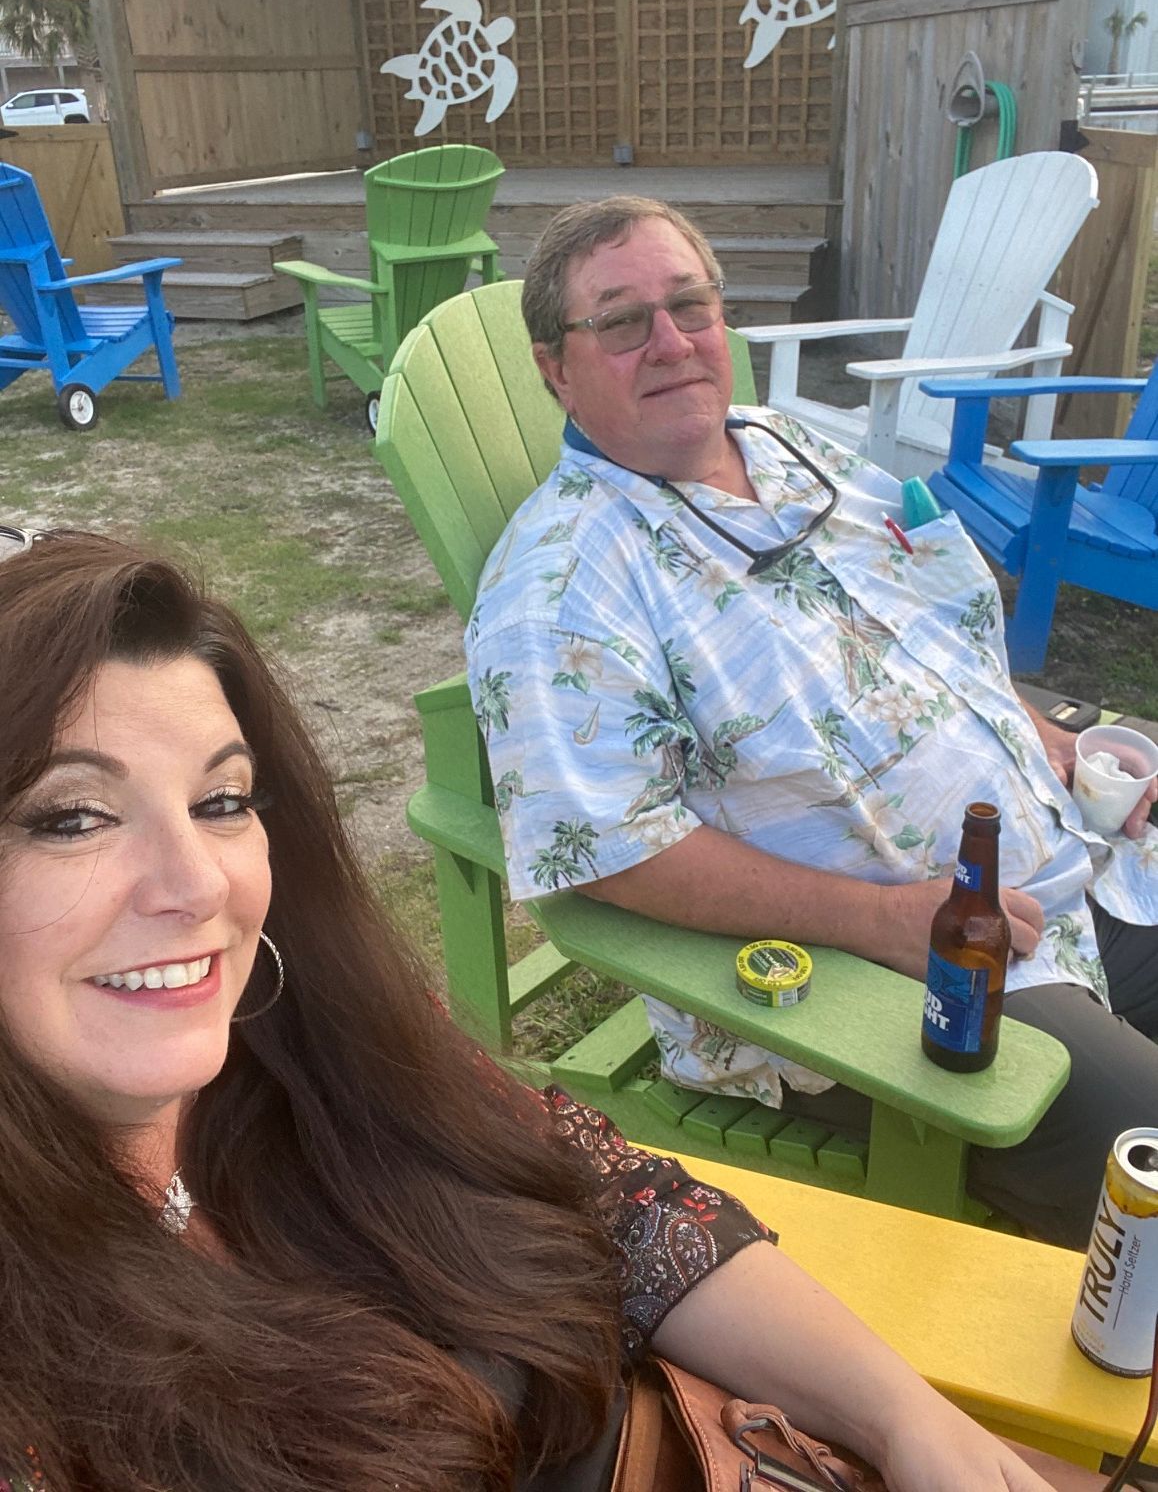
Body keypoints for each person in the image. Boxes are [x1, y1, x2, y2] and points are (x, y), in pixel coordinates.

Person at [0, 529, 1083, 1492]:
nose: (197, 885)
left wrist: (907, 1417)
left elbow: (625, 1202)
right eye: (74, 816)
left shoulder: (317, 1044)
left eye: (223, 800)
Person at [464, 194, 1158, 1252]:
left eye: (689, 304)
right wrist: (877, 921)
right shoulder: (563, 586)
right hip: (903, 979)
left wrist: (1041, 734)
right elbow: (609, 850)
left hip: (1077, 847)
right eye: (620, 319)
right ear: (556, 367)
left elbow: (917, 619)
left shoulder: (784, 444)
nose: (671, 340)